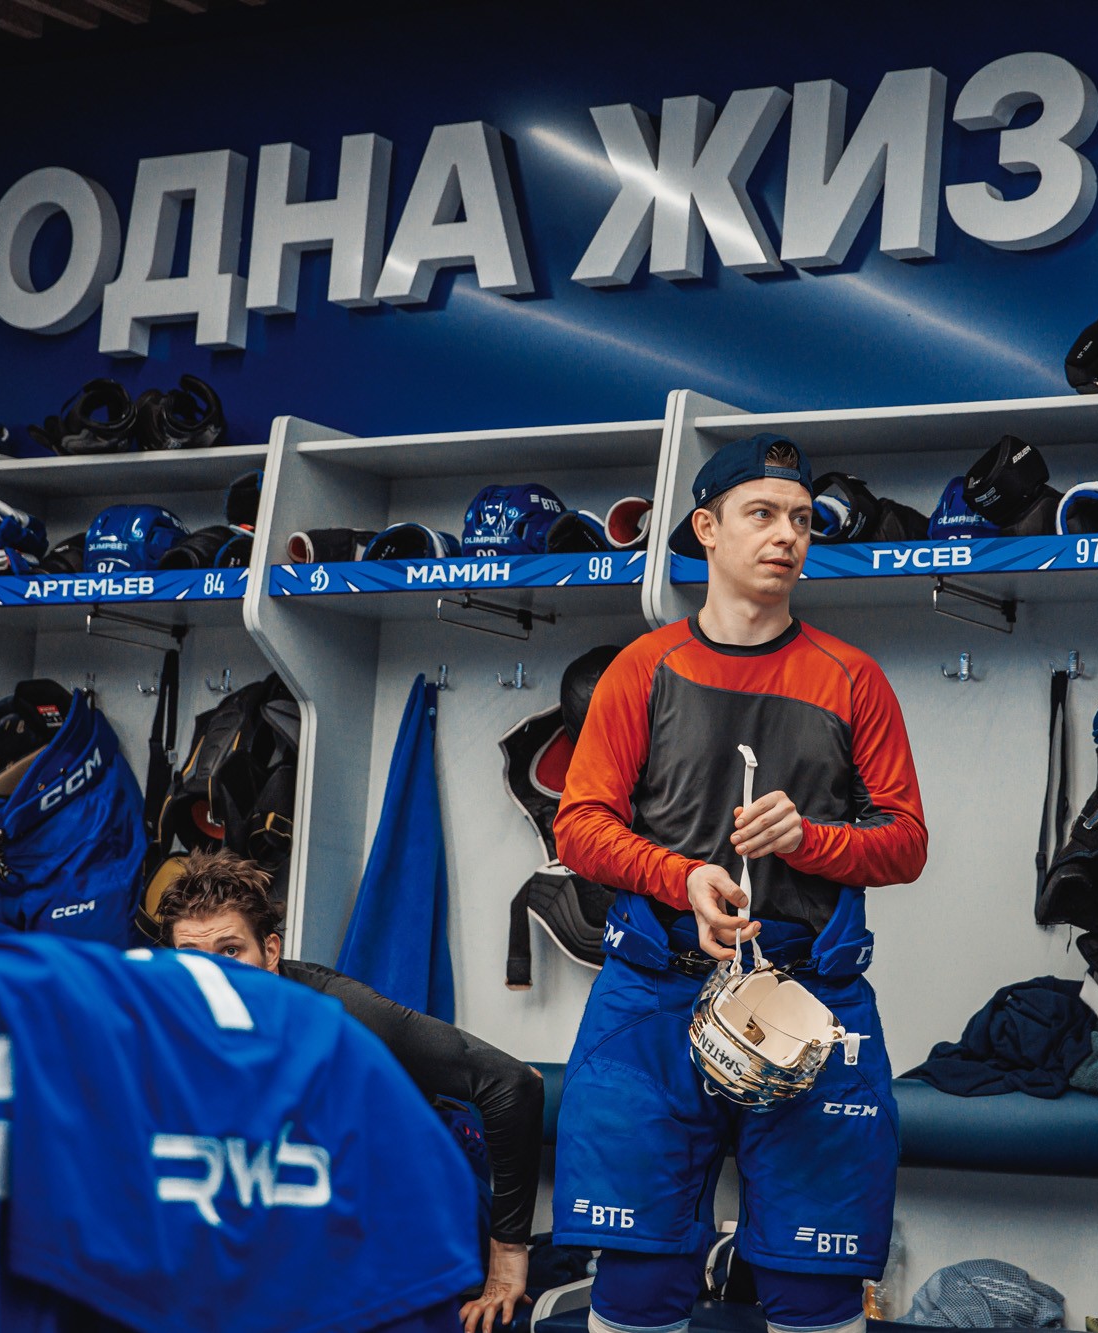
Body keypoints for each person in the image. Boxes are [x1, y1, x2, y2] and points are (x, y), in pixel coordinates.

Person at [552, 433, 928, 1333]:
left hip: (809, 1000)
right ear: (707, 529)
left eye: (801, 519)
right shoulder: (644, 668)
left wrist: (811, 839)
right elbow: (579, 823)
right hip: (654, 996)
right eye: (762, 514)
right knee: (638, 1281)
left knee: (815, 1287)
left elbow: (907, 842)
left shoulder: (853, 678)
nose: (787, 535)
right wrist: (682, 877)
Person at [156, 849, 544, 1333]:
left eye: (231, 951)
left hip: (423, 1190)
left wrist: (507, 1259)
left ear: (270, 952)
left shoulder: (339, 1014)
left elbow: (515, 1085)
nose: (214, 976)